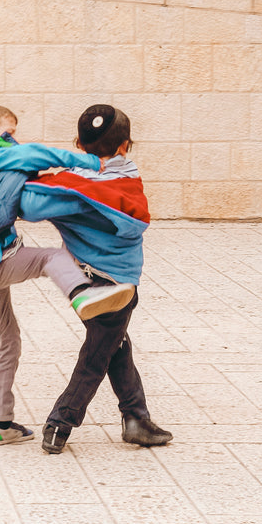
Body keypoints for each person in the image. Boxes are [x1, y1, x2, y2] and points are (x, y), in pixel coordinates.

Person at [0, 99, 135, 446]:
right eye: (10, 133)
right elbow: (31, 155)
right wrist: (86, 161)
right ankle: (83, 293)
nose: (14, 140)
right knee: (49, 258)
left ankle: (0, 426)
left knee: (7, 341)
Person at [17, 103, 173, 455]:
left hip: (82, 285)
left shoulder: (71, 187)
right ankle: (61, 423)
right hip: (118, 287)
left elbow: (29, 205)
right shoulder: (128, 178)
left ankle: (136, 418)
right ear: (125, 146)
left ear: (78, 143)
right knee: (97, 354)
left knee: (114, 343)